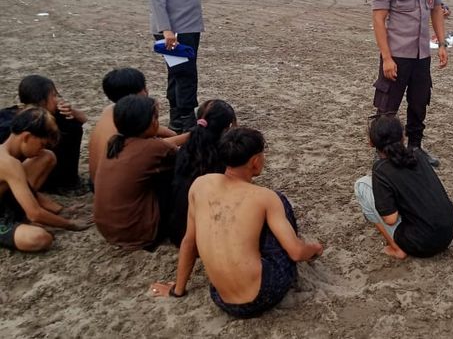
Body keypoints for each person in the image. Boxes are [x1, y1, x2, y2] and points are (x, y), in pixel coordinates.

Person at [149, 128, 323, 318]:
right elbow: (296, 253)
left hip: (221, 297)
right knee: (278, 204)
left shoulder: (200, 184)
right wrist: (314, 249)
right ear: (255, 161)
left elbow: (189, 242)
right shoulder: (265, 197)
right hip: (263, 294)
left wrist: (177, 290)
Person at [370, 0, 447, 167]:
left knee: (419, 102)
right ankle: (383, 151)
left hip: (421, 54)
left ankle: (415, 147)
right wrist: (387, 58)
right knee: (387, 106)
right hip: (396, 54)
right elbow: (379, 20)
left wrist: (442, 44)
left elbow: (436, 9)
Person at [139, 0, 209, 133]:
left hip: (190, 27)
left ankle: (177, 120)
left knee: (178, 73)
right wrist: (166, 30)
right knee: (185, 74)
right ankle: (186, 121)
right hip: (174, 31)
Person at [354, 115, 453, 259]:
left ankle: (397, 249)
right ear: (403, 136)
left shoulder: (381, 169)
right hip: (448, 233)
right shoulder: (417, 154)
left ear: (371, 142)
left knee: (361, 185)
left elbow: (390, 219)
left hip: (422, 243)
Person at [0, 107, 92, 252]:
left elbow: (27, 189)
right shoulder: (9, 163)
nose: (41, 149)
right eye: (41, 144)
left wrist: (61, 210)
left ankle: (20, 218)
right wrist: (69, 224)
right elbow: (35, 213)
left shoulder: (9, 152)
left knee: (46, 157)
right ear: (26, 137)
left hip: (5, 203)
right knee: (40, 238)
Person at [93, 95, 177, 250]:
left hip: (107, 229)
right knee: (175, 174)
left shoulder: (114, 142)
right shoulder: (152, 148)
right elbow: (178, 154)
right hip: (138, 233)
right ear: (152, 121)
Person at [88, 68, 182, 187]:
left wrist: (175, 136)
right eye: (144, 88)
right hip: (113, 185)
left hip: (96, 181)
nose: (147, 91)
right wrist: (188, 136)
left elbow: (165, 133)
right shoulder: (127, 121)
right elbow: (153, 148)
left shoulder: (112, 110)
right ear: (135, 95)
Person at [0, 75, 87, 194]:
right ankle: (65, 182)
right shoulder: (16, 125)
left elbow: (83, 119)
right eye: (54, 96)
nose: (57, 100)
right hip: (14, 176)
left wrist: (72, 112)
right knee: (71, 128)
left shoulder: (43, 114)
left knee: (71, 124)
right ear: (42, 101)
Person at [169, 99, 236, 246]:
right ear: (227, 129)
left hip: (176, 229)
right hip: (204, 236)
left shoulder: (183, 151)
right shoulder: (224, 157)